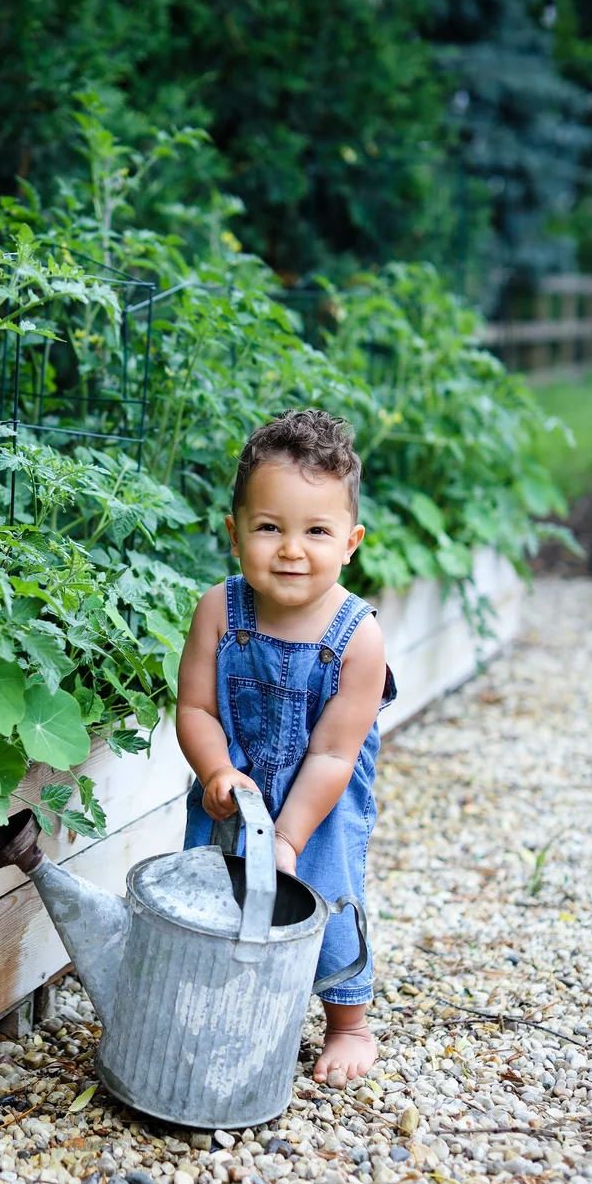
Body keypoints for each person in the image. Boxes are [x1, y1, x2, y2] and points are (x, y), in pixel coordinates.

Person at [176, 408, 395, 1087]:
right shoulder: (219, 610)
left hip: (318, 800)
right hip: (233, 786)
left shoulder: (359, 637)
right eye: (269, 527)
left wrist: (290, 836)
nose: (292, 549)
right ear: (235, 532)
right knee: (211, 893)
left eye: (317, 532)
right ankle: (212, 1003)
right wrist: (217, 770)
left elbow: (333, 753)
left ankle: (348, 1022)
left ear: (351, 541)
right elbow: (196, 707)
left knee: (325, 898)